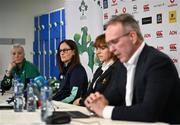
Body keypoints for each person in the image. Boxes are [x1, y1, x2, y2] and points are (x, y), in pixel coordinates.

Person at [84, 13, 180, 124]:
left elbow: (149, 112)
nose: (111, 49)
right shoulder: (122, 65)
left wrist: (104, 110)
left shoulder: (158, 62)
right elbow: (112, 97)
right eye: (109, 44)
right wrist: (95, 101)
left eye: (114, 42)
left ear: (132, 37)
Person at [73, 34, 119, 106]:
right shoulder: (99, 69)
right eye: (97, 49)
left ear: (112, 48)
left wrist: (81, 101)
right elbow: (90, 93)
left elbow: (108, 97)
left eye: (102, 48)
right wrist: (82, 101)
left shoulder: (118, 68)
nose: (98, 52)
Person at [52, 39, 88, 104]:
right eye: (60, 51)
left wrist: (58, 104)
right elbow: (61, 92)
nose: (62, 53)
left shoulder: (77, 70)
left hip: (72, 109)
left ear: (73, 52)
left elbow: (74, 96)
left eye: (65, 50)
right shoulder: (65, 70)